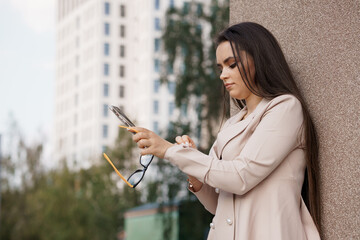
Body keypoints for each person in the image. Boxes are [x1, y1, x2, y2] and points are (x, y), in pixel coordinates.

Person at [129, 22, 321, 240]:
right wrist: (193, 172)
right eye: (220, 68)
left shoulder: (285, 108)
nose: (223, 75)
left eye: (231, 65)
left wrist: (171, 151)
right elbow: (217, 204)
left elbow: (241, 176)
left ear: (259, 60)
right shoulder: (231, 124)